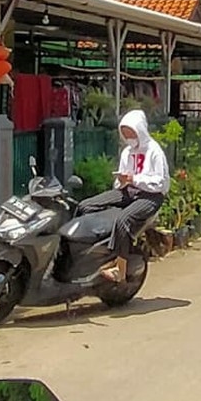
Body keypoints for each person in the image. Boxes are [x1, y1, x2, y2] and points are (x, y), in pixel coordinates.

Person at [76, 109, 169, 283]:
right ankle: (87, 255)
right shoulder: (127, 152)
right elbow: (121, 180)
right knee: (85, 206)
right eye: (124, 133)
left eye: (130, 132)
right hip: (128, 191)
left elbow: (161, 183)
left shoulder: (154, 151)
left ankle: (121, 269)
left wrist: (135, 179)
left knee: (123, 219)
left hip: (149, 196)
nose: (128, 136)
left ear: (139, 130)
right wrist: (122, 181)